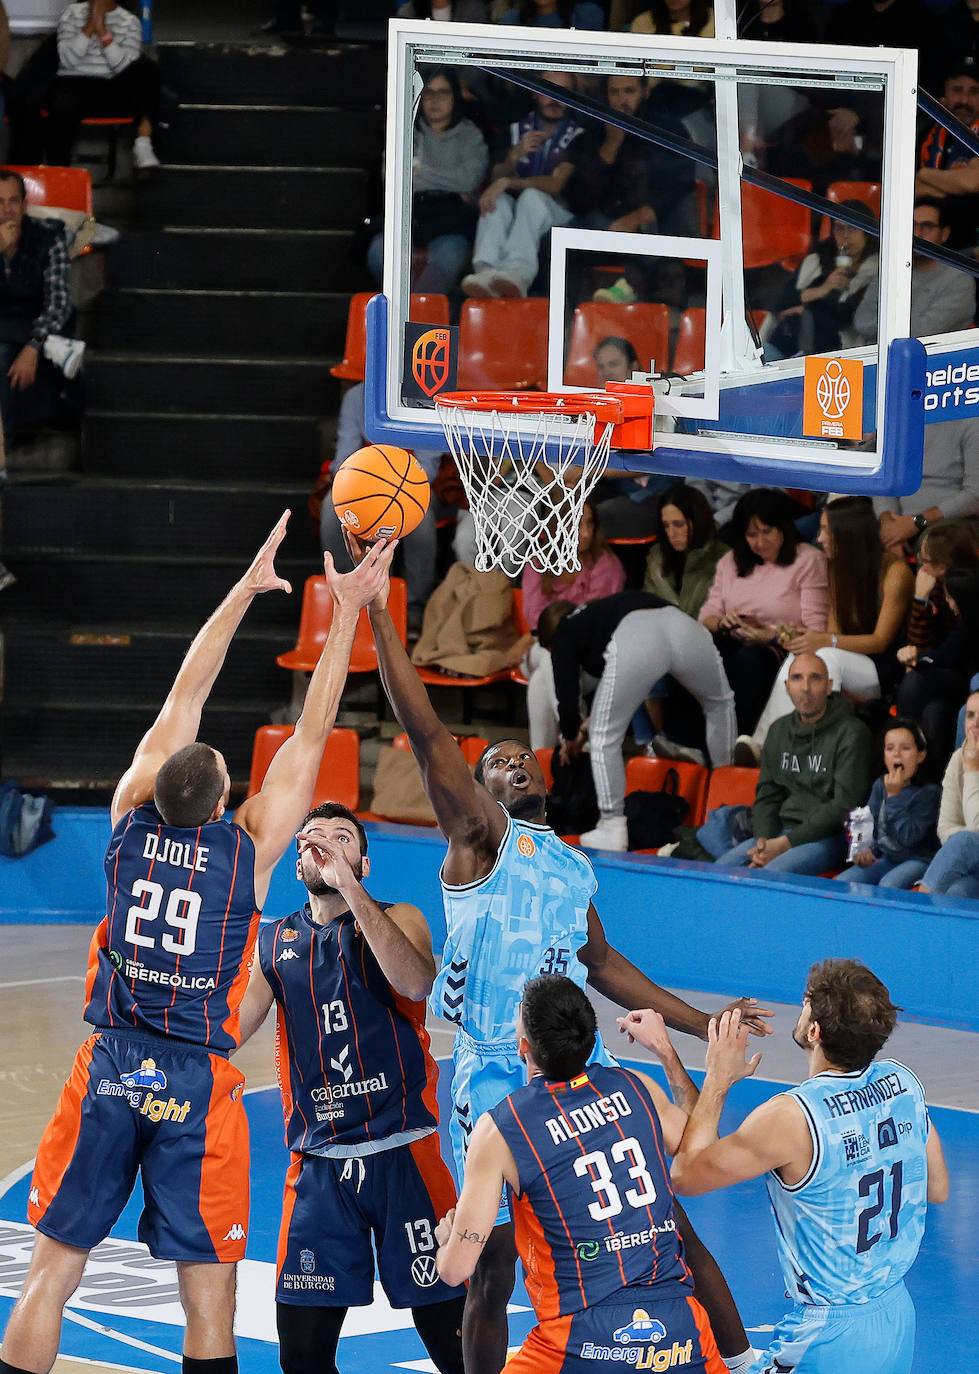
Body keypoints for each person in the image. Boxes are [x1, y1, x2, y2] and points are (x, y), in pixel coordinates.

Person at [359, 536, 771, 1374]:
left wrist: (703, 1024)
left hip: (572, 1073)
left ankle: (742, 1359)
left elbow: (604, 965)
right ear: (476, 794)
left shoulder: (571, 864)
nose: (509, 761)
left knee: (666, 1226)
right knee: (497, 1262)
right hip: (490, 1075)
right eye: (492, 765)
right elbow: (427, 729)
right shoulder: (480, 841)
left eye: (519, 756)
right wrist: (375, 613)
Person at [0, 515, 396, 1374]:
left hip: (109, 1062)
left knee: (51, 1277)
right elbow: (312, 735)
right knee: (206, 1297)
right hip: (192, 1079)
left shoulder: (125, 819)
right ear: (223, 803)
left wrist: (240, 593)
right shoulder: (243, 856)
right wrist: (349, 613)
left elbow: (186, 692)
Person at [236, 803, 466, 1374]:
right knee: (303, 1355)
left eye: (343, 839)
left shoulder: (399, 917)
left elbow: (415, 981)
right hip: (319, 1167)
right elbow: (229, 1031)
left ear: (363, 860)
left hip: (406, 1155)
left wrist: (349, 889)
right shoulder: (273, 943)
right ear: (297, 866)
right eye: (313, 839)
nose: (327, 847)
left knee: (454, 1346)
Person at [659, 959, 949, 1374]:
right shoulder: (904, 1083)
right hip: (896, 1316)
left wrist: (718, 1078)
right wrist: (668, 1056)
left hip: (830, 1336)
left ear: (814, 1031)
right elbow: (936, 1189)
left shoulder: (792, 1116)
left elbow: (686, 1176)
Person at [434, 974, 727, 1374]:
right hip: (678, 1332)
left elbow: (456, 1271)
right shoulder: (635, 1086)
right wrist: (667, 1052)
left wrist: (448, 1240)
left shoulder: (503, 1127)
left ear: (524, 1050)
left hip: (579, 1341)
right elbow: (702, 1148)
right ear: (592, 1041)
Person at [540, 593, 736, 850]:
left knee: (603, 737)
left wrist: (570, 733)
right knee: (719, 703)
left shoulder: (564, 630)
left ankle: (611, 825)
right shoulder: (598, 613)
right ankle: (727, 801)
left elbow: (565, 691)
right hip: (683, 623)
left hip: (639, 632)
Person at [736, 495, 913, 763]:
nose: (819, 538)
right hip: (848, 659)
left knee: (826, 657)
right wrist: (806, 639)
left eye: (826, 530)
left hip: (885, 669)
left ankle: (797, 747)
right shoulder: (836, 568)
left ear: (847, 534)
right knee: (804, 658)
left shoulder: (895, 572)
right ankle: (764, 745)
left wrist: (823, 641)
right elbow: (834, 634)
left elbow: (880, 641)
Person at [713, 652, 875, 875]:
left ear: (829, 686)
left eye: (815, 678)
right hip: (780, 832)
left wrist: (785, 844)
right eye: (797, 679)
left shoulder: (852, 732)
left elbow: (844, 805)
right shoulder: (778, 730)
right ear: (788, 687)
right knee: (717, 872)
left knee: (772, 873)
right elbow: (767, 795)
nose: (806, 687)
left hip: (831, 837)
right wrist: (763, 842)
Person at [699, 487, 828, 736]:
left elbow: (816, 630)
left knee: (747, 663)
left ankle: (738, 740)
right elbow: (707, 616)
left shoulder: (808, 560)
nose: (759, 542)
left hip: (779, 648)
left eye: (767, 532)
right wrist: (724, 622)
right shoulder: (732, 560)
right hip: (733, 639)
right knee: (695, 658)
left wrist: (769, 635)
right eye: (751, 535)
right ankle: (690, 742)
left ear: (783, 527)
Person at [367, 66, 489, 298]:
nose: (435, 100)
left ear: (455, 96)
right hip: (409, 218)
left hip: (451, 223)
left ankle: (414, 320)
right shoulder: (404, 132)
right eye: (429, 93)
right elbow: (391, 178)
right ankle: (403, 318)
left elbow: (468, 179)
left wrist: (419, 171)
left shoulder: (470, 135)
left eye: (443, 92)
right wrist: (450, 182)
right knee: (378, 253)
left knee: (447, 260)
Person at [461, 72, 583, 300]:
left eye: (562, 92)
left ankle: (518, 273)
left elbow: (556, 185)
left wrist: (508, 181)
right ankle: (486, 271)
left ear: (573, 97)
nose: (554, 100)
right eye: (548, 92)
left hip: (561, 214)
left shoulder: (579, 135)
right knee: (497, 199)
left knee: (531, 197)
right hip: (518, 210)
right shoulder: (514, 130)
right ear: (536, 95)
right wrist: (514, 156)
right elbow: (495, 175)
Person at [524, 499, 625, 751]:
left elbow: (595, 625)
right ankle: (577, 732)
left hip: (587, 661)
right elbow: (535, 620)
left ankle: (543, 760)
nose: (587, 533)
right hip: (541, 647)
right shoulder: (539, 560)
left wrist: (559, 628)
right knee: (549, 655)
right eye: (577, 525)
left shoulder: (607, 564)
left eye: (590, 523)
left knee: (541, 677)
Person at [641, 485, 730, 754]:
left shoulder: (724, 558)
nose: (672, 532)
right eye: (666, 525)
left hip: (707, 643)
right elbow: (647, 604)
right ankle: (653, 742)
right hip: (662, 642)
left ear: (697, 521)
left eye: (678, 524)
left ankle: (664, 744)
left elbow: (718, 613)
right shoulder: (657, 556)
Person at [0, 170, 73, 447]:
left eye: (13, 201)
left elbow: (59, 302)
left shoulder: (48, 237)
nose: (6, 210)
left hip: (35, 325)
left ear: (25, 205)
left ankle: (1, 454)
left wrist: (33, 346)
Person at [49, 0, 162, 169]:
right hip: (73, 82)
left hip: (110, 85)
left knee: (148, 70)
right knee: (61, 105)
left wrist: (102, 30)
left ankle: (143, 142)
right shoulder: (71, 13)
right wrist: (89, 27)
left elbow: (124, 68)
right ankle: (59, 173)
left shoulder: (129, 21)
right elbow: (68, 61)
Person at [835, 718, 941, 889]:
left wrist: (894, 796)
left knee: (888, 885)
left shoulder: (929, 793)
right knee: (843, 882)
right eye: (890, 748)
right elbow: (864, 820)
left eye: (905, 748)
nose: (897, 754)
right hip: (888, 858)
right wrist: (862, 848)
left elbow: (908, 837)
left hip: (919, 860)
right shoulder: (880, 785)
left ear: (921, 755)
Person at [853, 197, 976, 342]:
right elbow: (862, 322)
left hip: (933, 362)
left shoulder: (959, 280)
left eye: (927, 226)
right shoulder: (892, 270)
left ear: (944, 234)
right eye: (912, 225)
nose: (917, 234)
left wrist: (882, 325)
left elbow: (922, 334)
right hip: (875, 357)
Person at [765, 204, 878, 358]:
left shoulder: (878, 269)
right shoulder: (816, 261)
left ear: (867, 232)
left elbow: (849, 318)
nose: (845, 235)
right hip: (787, 341)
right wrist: (822, 289)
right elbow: (778, 301)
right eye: (839, 228)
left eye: (852, 229)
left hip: (835, 354)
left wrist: (804, 309)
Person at [895, 563, 979, 764]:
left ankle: (900, 736)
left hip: (971, 687)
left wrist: (919, 661)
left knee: (917, 679)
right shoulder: (966, 624)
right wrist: (917, 658)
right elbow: (945, 654)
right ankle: (924, 776)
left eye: (950, 597)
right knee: (934, 712)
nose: (948, 602)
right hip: (961, 686)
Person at [873, 417, 979, 557]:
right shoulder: (900, 417)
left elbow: (974, 495)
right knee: (851, 529)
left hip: (949, 518)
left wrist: (916, 522)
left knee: (935, 543)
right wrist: (888, 524)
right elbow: (883, 480)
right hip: (898, 520)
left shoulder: (971, 419)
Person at [918, 688, 979, 897]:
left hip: (968, 852)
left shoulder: (967, 762)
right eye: (970, 715)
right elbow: (945, 827)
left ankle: (919, 908)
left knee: (964, 841)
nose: (975, 723)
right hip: (970, 861)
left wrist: (972, 769)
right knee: (957, 892)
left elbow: (975, 826)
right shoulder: (958, 759)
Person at [914, 60, 979, 248]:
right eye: (957, 90)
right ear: (944, 94)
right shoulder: (925, 135)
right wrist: (958, 186)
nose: (965, 100)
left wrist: (925, 175)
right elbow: (911, 190)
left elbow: (973, 181)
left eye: (973, 92)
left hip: (972, 248)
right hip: (925, 243)